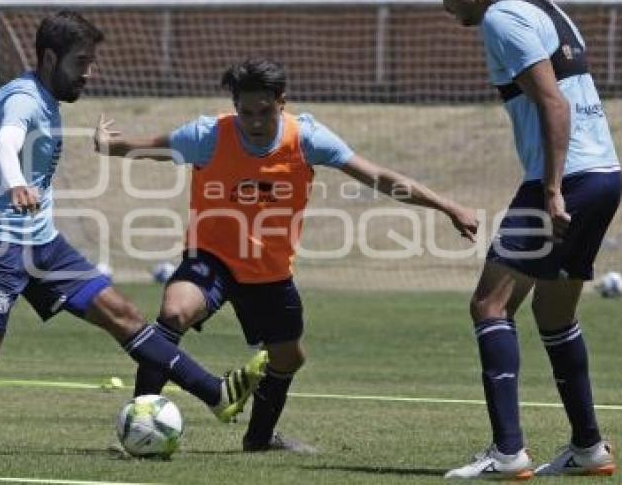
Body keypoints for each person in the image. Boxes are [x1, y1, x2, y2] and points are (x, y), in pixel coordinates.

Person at [0, 11, 267, 454]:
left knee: (123, 314)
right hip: (0, 244)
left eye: (91, 62)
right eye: (81, 62)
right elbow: (2, 144)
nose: (88, 73)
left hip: (41, 243)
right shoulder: (23, 100)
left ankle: (218, 394)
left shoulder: (30, 95)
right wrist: (16, 183)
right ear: (50, 58)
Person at [92, 58, 480, 453]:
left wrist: (447, 206)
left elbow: (379, 177)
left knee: (288, 358)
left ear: (282, 102)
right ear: (235, 105)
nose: (255, 121)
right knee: (174, 312)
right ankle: (137, 427)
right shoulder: (209, 135)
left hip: (269, 271)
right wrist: (108, 144)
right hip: (212, 257)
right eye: (246, 112)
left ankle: (259, 440)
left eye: (264, 111)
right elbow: (144, 147)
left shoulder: (307, 138)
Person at [431, 0, 621, 479]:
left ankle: (507, 453)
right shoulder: (545, 5)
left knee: (490, 306)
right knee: (555, 314)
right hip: (605, 175)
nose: (445, 5)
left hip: (566, 180)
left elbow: (553, 102)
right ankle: (588, 448)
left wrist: (554, 188)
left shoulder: (500, 20)